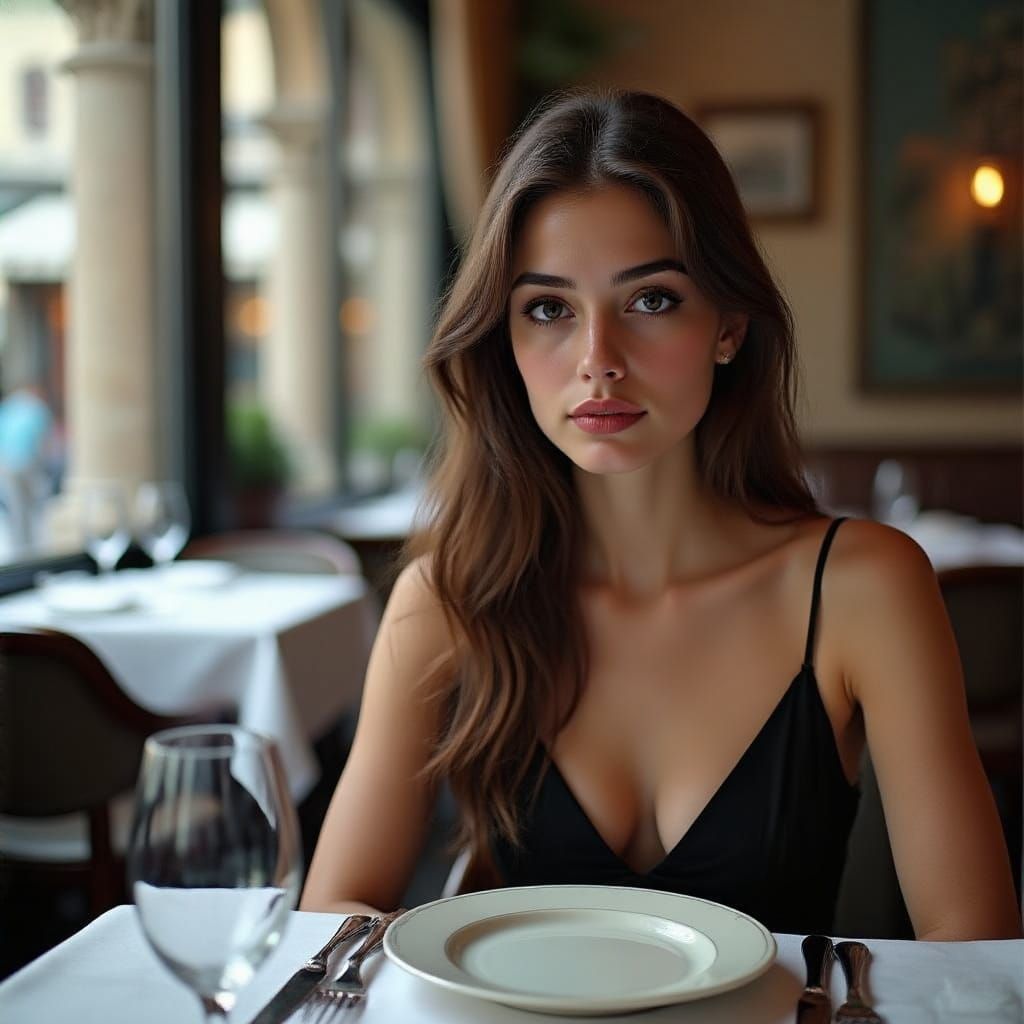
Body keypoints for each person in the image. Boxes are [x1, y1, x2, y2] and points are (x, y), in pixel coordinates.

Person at [302, 89, 1021, 938]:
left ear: (729, 324)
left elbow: (977, 949)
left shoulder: (864, 587)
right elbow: (332, 918)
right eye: (548, 309)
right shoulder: (446, 602)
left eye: (651, 300)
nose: (598, 361)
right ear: (504, 340)